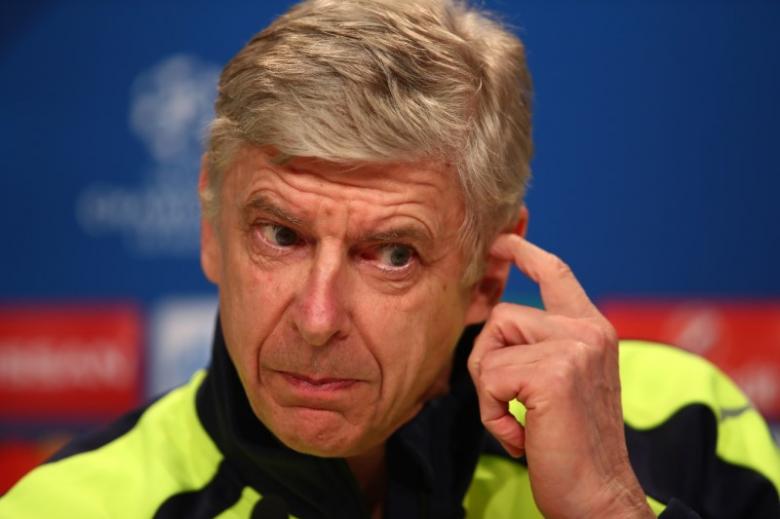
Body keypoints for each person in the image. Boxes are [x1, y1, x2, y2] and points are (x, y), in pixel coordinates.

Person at [2, 0, 778, 517]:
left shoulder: (684, 423)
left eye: (393, 253)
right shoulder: (64, 507)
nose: (315, 319)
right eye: (280, 234)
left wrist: (610, 506)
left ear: (485, 274)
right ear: (212, 223)